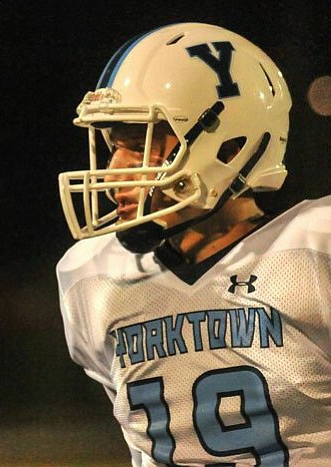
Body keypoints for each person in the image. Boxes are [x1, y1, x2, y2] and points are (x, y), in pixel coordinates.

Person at [56, 23, 331, 465]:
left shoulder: (316, 251)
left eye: (139, 143)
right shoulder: (92, 278)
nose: (112, 173)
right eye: (114, 144)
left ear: (230, 143)